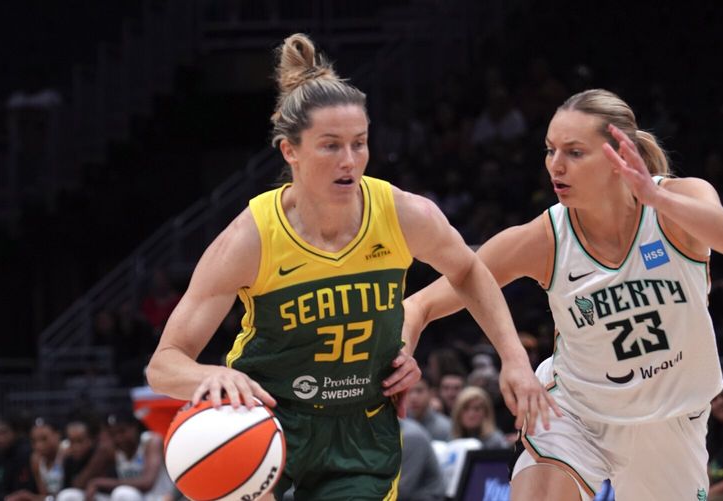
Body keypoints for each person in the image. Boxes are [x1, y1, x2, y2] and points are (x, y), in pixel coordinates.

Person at [146, 33, 555, 501]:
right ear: (290, 151)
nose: (349, 161)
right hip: (268, 421)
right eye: (330, 146)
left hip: (362, 429)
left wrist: (514, 359)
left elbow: (468, 270)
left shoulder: (402, 213)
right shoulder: (251, 238)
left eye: (359, 144)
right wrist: (211, 375)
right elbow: (164, 364)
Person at [402, 88, 723, 500]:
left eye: (575, 153)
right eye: (550, 150)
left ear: (619, 154)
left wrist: (655, 198)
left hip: (670, 417)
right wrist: (408, 345)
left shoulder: (677, 201)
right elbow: (422, 303)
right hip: (575, 410)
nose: (556, 165)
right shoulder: (547, 238)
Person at [5, 417, 66, 501]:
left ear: (57, 435)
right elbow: (46, 497)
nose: (38, 445)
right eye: (34, 441)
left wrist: (30, 497)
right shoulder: (36, 460)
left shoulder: (67, 451)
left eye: (44, 439)